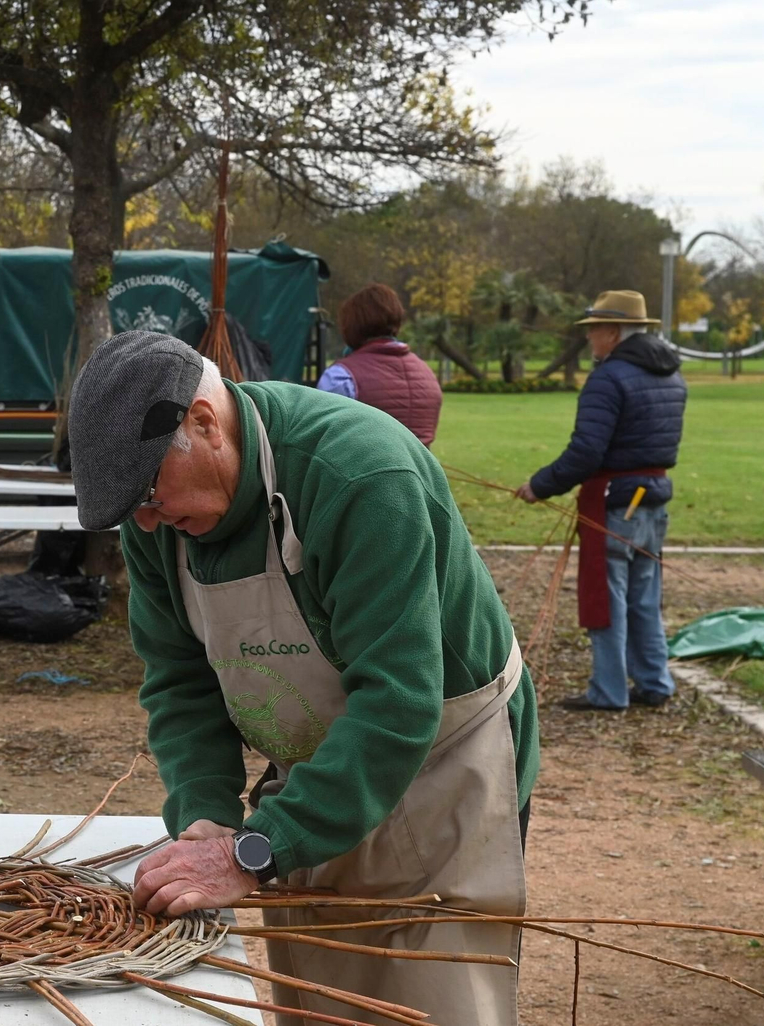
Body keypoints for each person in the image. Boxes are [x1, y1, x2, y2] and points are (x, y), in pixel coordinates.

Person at [66, 332, 538, 1026]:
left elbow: (398, 703)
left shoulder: (358, 477)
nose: (142, 520)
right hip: (325, 767)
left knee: (434, 992)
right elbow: (180, 681)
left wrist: (261, 848)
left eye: (146, 493)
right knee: (324, 992)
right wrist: (205, 817)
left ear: (202, 421)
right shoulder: (159, 519)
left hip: (444, 758)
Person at [516, 290, 687, 712]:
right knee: (645, 597)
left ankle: (609, 691)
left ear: (613, 331)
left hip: (615, 504)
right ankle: (654, 682)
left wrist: (540, 485)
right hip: (653, 499)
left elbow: (586, 452)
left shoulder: (609, 377)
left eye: (594, 332)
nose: (591, 341)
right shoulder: (671, 373)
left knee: (606, 600)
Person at [314, 282, 442, 446]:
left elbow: (322, 441)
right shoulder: (426, 373)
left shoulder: (341, 375)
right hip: (419, 472)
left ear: (350, 325)